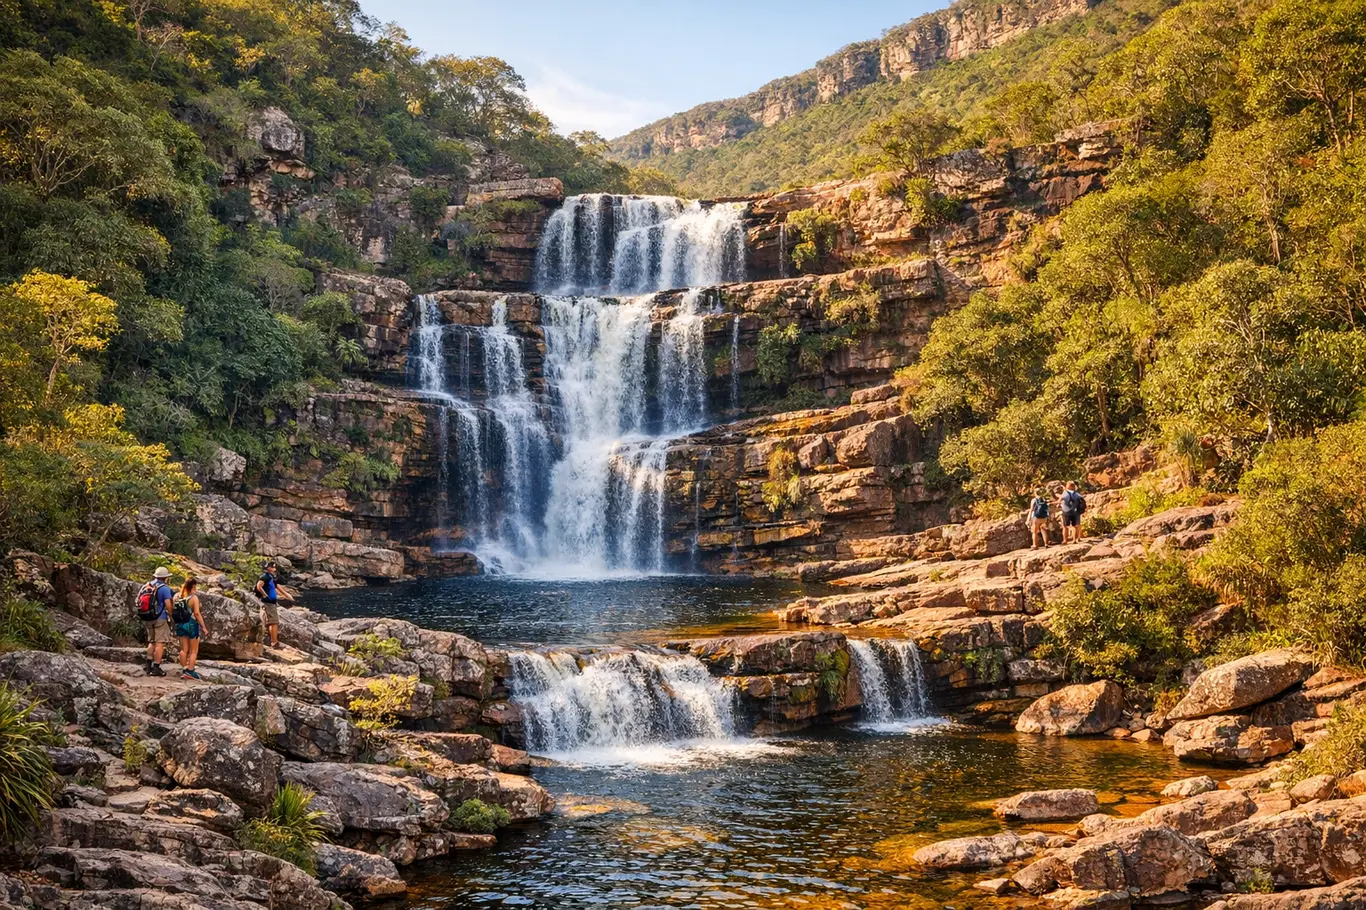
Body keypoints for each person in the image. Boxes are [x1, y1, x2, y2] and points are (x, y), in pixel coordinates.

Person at [139, 567, 175, 676]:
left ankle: (148, 665)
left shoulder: (147, 585)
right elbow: (168, 604)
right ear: (165, 578)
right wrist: (171, 615)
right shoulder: (164, 588)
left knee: (151, 641)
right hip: (160, 618)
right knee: (160, 643)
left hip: (148, 617)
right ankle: (156, 668)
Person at [173, 576, 207, 680]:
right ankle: (191, 671)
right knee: (193, 650)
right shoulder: (193, 598)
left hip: (180, 624)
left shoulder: (176, 596)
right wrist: (204, 627)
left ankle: (184, 669)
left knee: (183, 649)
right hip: (191, 624)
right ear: (192, 587)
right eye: (195, 587)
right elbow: (196, 613)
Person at [255, 559, 289, 648]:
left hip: (271, 602)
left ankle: (273, 641)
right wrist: (265, 595)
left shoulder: (270, 577)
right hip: (268, 603)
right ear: (268, 568)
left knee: (273, 622)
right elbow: (259, 586)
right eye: (273, 567)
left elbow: (274, 587)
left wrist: (283, 595)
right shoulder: (265, 577)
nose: (274, 568)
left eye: (274, 567)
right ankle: (274, 642)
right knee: (273, 622)